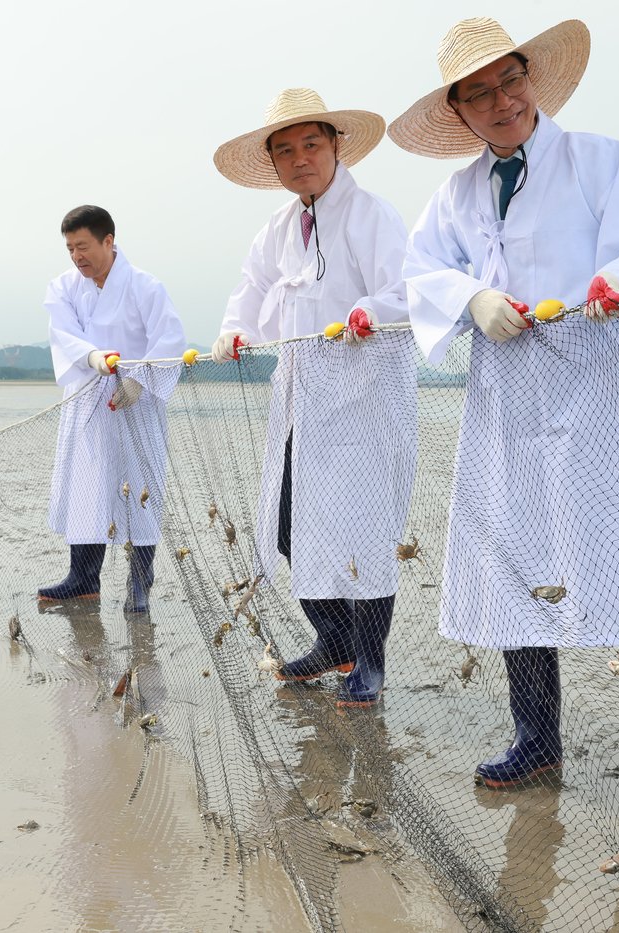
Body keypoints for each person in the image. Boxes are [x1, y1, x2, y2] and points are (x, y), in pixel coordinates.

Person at [390, 17, 619, 818]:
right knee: (518, 566)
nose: (499, 101)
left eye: (508, 81)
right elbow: (420, 271)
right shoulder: (454, 193)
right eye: (477, 93)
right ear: (459, 112)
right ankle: (537, 738)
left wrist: (615, 282)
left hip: (596, 392)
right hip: (508, 403)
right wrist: (471, 297)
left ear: (532, 80)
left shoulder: (598, 159)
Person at [212, 89, 416, 708]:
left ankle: (370, 660)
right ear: (273, 165)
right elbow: (252, 289)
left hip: (365, 400)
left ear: (335, 146)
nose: (300, 159)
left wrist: (366, 313)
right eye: (285, 151)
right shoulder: (278, 228)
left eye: (311, 144)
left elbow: (406, 293)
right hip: (304, 397)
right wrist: (233, 330)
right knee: (288, 525)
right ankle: (333, 639)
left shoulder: (370, 215)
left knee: (364, 532)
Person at [41, 205, 186, 609]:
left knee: (140, 490)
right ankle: (82, 578)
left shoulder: (145, 286)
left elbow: (170, 340)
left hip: (135, 405)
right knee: (86, 488)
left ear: (109, 240)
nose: (76, 257)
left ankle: (140, 582)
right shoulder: (63, 287)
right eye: (70, 248)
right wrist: (92, 358)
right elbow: (63, 335)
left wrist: (139, 381)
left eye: (83, 246)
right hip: (87, 401)